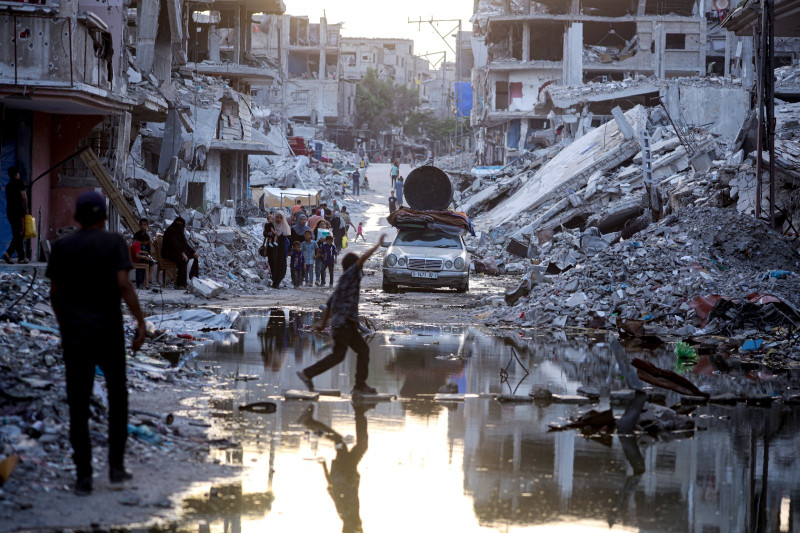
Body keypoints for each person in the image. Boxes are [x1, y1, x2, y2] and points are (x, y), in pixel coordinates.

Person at [47, 191, 146, 496]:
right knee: (118, 400)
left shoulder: (62, 247)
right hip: (108, 334)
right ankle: (115, 468)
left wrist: (65, 329)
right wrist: (141, 323)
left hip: (77, 336)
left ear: (76, 218)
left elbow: (55, 292)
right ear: (104, 217)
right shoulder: (114, 242)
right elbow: (124, 284)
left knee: (78, 405)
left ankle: (83, 477)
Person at [296, 234, 387, 395]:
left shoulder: (342, 282)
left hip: (341, 325)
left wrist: (323, 325)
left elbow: (330, 305)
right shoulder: (351, 276)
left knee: (345, 354)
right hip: (345, 324)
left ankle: (309, 374)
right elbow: (362, 260)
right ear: (354, 267)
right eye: (359, 267)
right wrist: (377, 245)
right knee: (359, 351)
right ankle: (358, 386)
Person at [297, 403, 370, 533]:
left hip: (344, 472)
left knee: (346, 442)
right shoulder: (345, 515)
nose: (361, 527)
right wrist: (325, 468)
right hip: (346, 472)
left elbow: (333, 489)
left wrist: (326, 468)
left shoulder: (347, 515)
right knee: (354, 444)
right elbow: (331, 490)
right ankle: (360, 412)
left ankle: (309, 422)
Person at [161, 217, 198, 289]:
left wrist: (193, 252)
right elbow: (174, 244)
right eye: (178, 223)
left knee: (194, 258)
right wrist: (182, 253)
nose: (179, 225)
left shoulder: (180, 232)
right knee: (182, 259)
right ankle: (180, 284)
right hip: (169, 253)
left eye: (181, 224)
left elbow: (185, 244)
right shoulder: (171, 231)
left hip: (178, 252)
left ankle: (193, 281)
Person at [3, 166, 29, 264]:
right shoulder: (19, 182)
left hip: (10, 212)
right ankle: (8, 253)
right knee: (20, 235)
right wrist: (26, 209)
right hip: (19, 212)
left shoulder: (8, 186)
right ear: (16, 174)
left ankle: (21, 257)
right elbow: (24, 197)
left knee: (17, 234)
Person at [267, 212, 291, 288]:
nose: (279, 219)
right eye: (277, 217)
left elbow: (289, 238)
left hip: (281, 250)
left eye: (281, 217)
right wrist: (272, 234)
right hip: (272, 249)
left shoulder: (285, 226)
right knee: (273, 265)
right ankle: (275, 282)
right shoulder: (271, 225)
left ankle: (277, 281)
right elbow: (265, 233)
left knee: (282, 267)